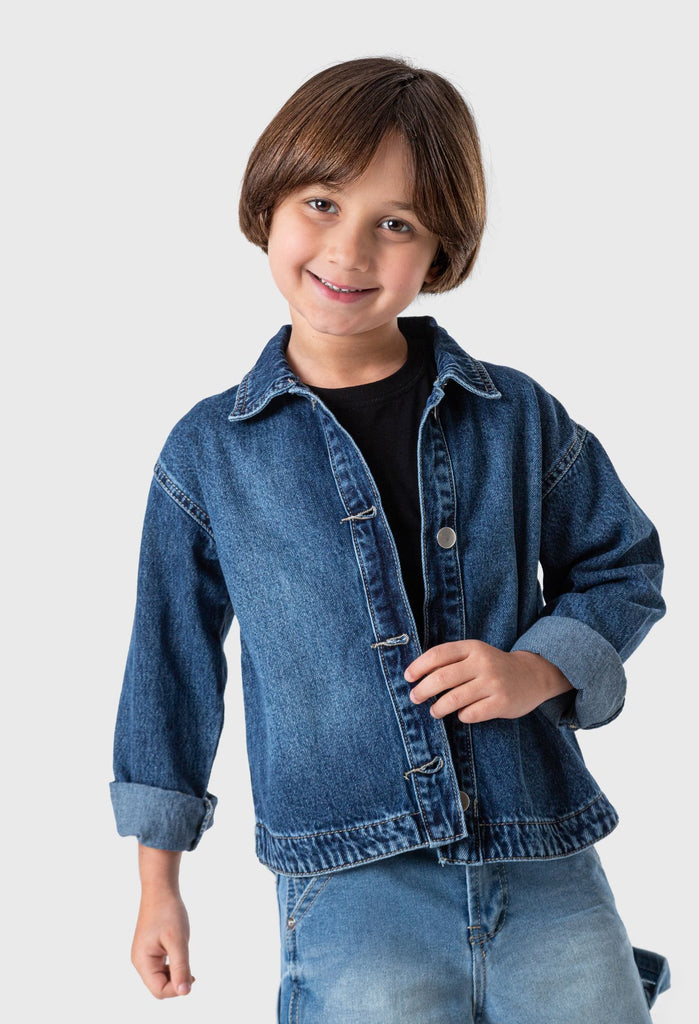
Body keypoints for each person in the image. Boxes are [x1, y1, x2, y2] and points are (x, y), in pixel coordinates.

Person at [110, 56, 670, 1022]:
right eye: (323, 203)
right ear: (270, 204)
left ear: (440, 248)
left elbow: (622, 564)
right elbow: (170, 662)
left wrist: (537, 669)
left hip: (544, 860)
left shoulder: (515, 416)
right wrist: (158, 885)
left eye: (396, 223)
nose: (350, 250)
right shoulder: (209, 454)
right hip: (350, 888)